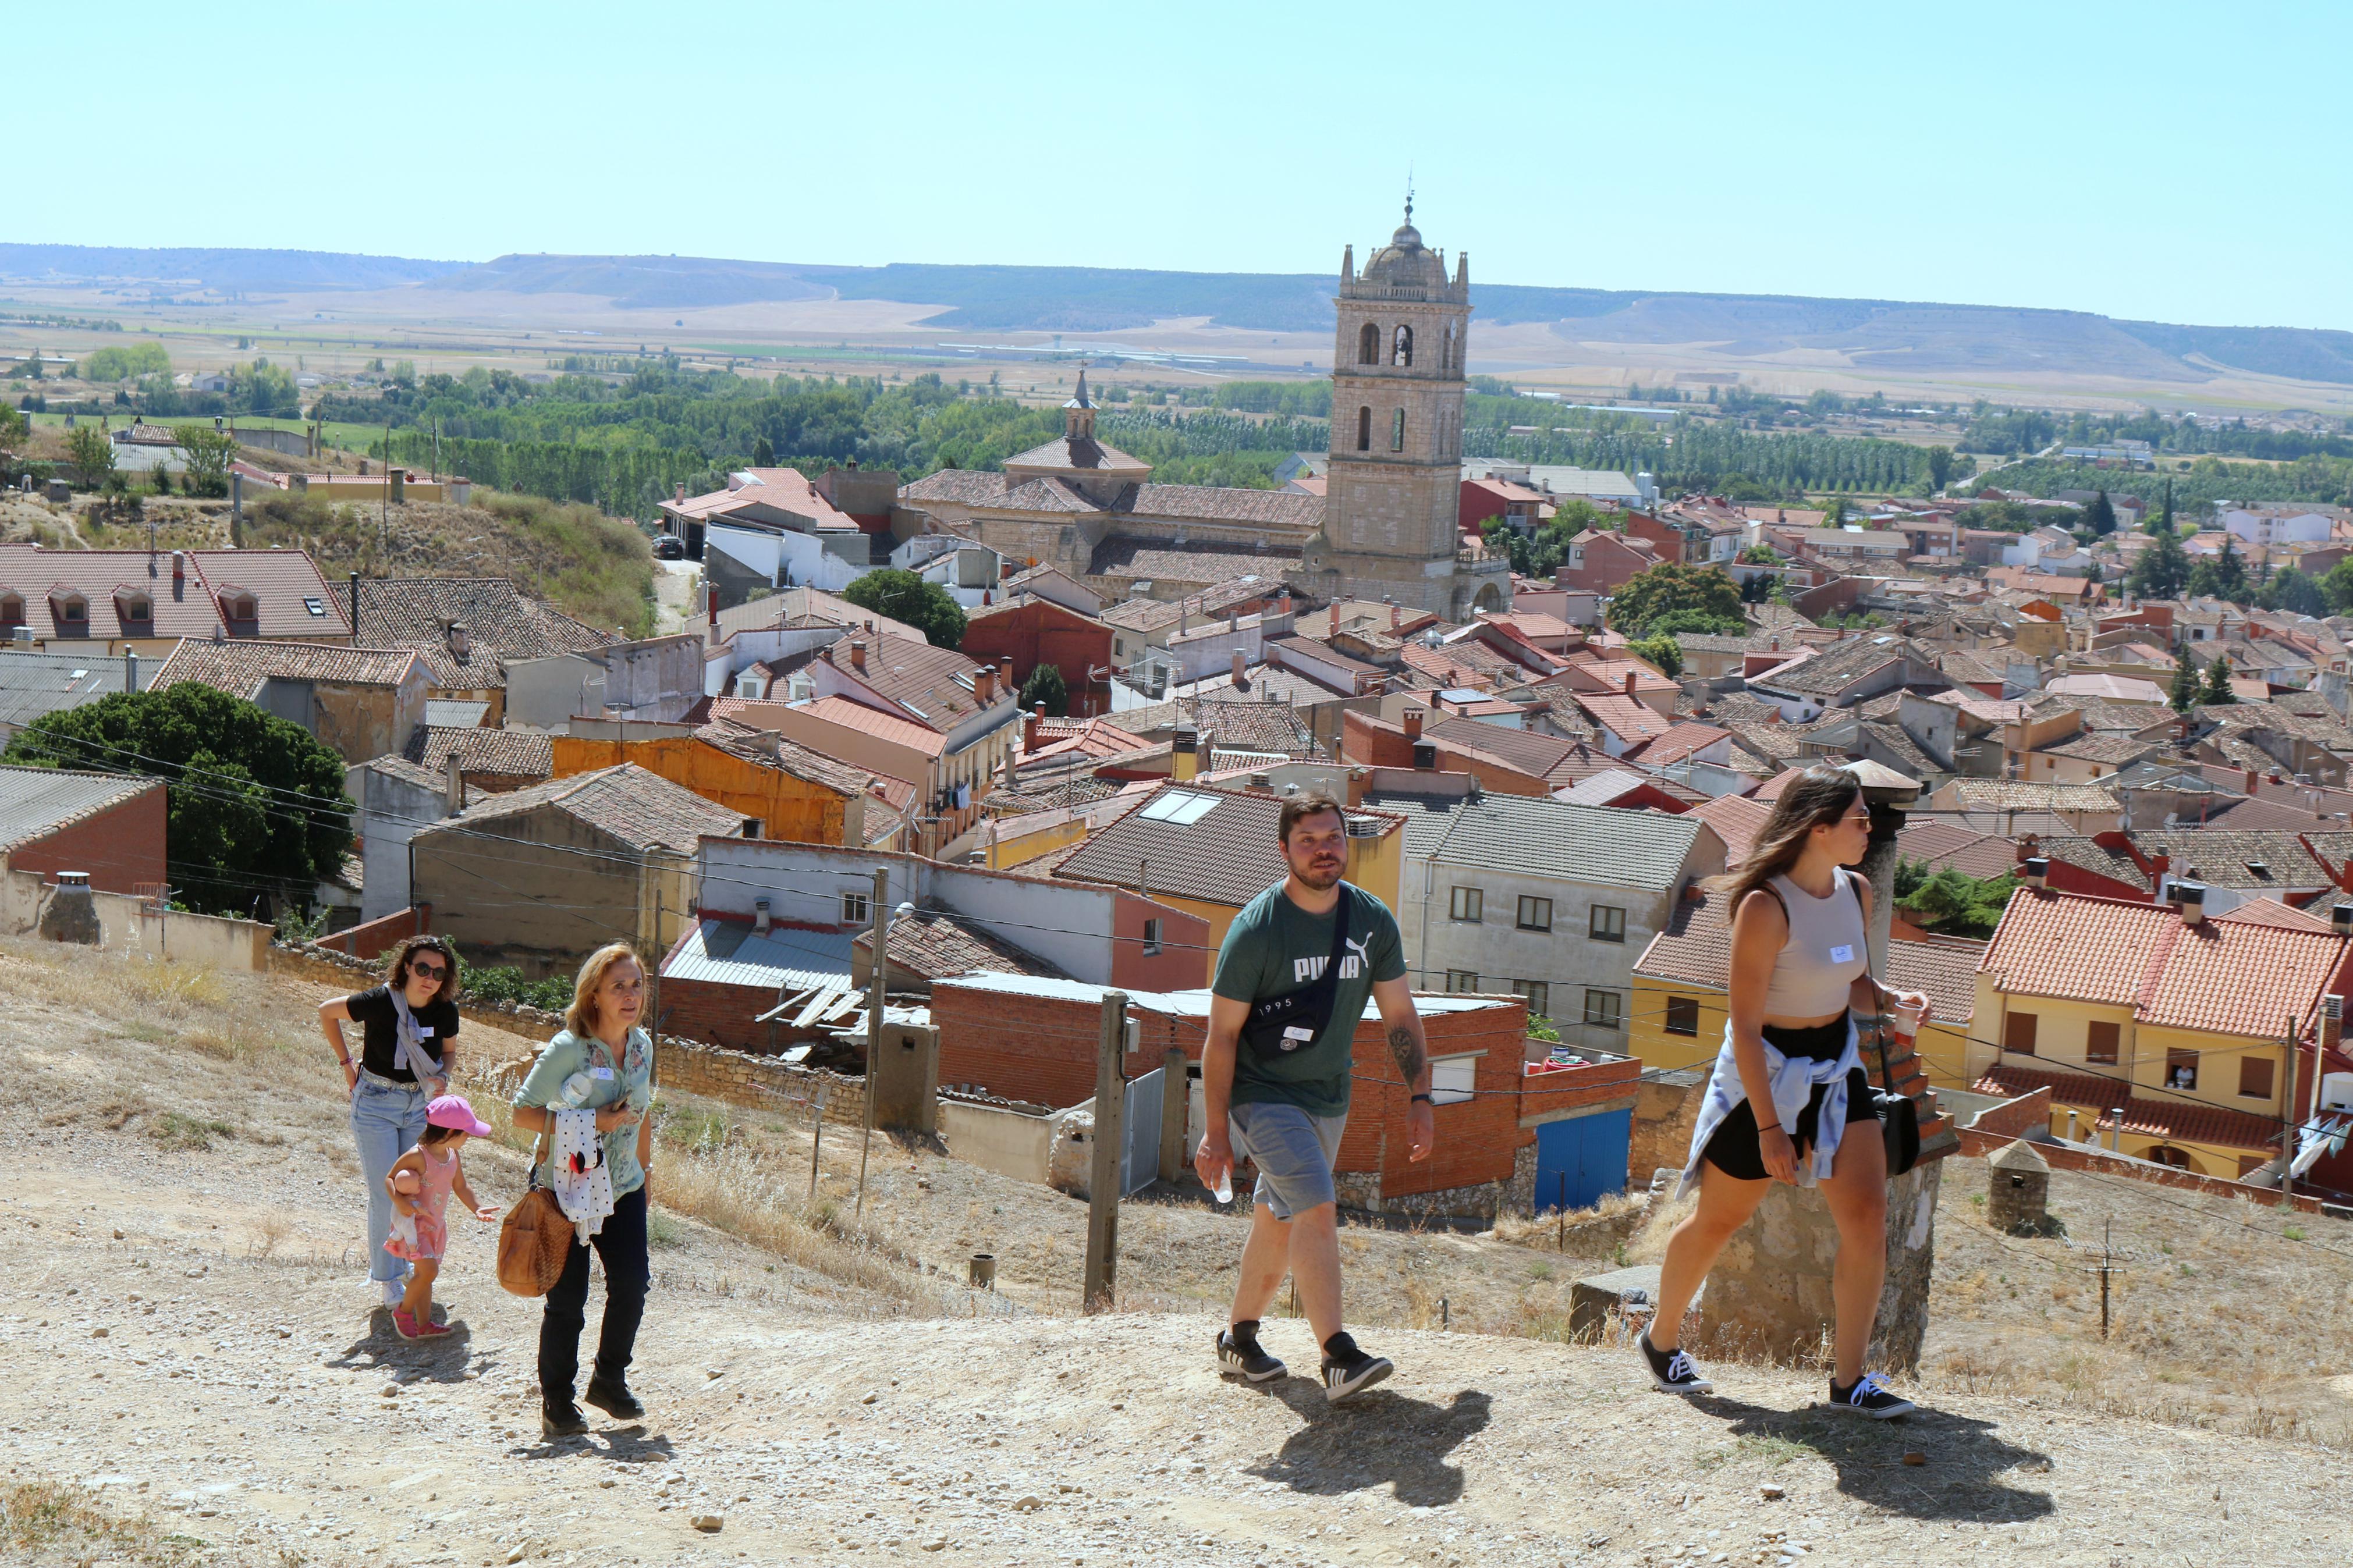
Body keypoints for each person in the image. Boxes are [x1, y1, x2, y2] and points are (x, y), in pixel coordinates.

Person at [1644, 765, 1928, 1419]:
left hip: (1835, 1068)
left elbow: (1850, 982)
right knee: (1720, 1218)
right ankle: (1660, 1339)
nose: (1870, 828)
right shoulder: (1764, 907)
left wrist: (1890, 1002)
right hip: (1763, 1077)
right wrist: (1771, 1130)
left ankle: (1848, 1381)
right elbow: (1743, 1027)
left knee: (1865, 1218)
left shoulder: (1855, 890)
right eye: (1860, 818)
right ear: (1817, 828)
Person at [1196, 790, 1431, 1403]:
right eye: (1308, 841)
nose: (1323, 850)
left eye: (1332, 838)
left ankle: (1238, 1342)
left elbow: (1400, 1015)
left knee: (1280, 1217)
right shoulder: (1257, 930)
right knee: (1316, 1203)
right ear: (1284, 851)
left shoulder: (1371, 921)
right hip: (1260, 1092)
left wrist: (1421, 1097)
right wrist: (1216, 1132)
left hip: (1328, 1094)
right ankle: (1337, 1355)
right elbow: (1220, 1037)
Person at [512, 943, 655, 1438]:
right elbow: (522, 1112)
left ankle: (609, 1380)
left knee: (633, 1284)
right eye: (618, 985)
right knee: (568, 1301)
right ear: (594, 993)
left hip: (622, 1189)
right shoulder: (568, 1049)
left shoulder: (643, 1048)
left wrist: (646, 1173)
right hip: (565, 1189)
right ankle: (557, 1402)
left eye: (636, 984)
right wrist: (594, 1119)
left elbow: (644, 1113)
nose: (630, 994)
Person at [318, 936, 464, 1314]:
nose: (429, 977)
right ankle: (388, 1279)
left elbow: (448, 1053)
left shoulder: (446, 1010)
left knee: (420, 1188)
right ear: (406, 967)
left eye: (438, 972)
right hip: (376, 1104)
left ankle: (415, 1265)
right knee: (387, 1191)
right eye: (422, 968)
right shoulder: (381, 1001)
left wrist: (443, 1077)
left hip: (419, 1105)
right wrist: (346, 1064)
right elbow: (326, 1011)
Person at [381, 1094, 499, 1341]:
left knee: (425, 1275)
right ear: (448, 1133)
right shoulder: (418, 1156)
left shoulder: (452, 1156)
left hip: (434, 1225)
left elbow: (462, 1187)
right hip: (415, 1226)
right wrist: (401, 1202)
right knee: (428, 1272)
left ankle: (424, 1325)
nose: (468, 1137)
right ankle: (403, 1314)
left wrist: (477, 1208)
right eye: (465, 1133)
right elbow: (389, 1179)